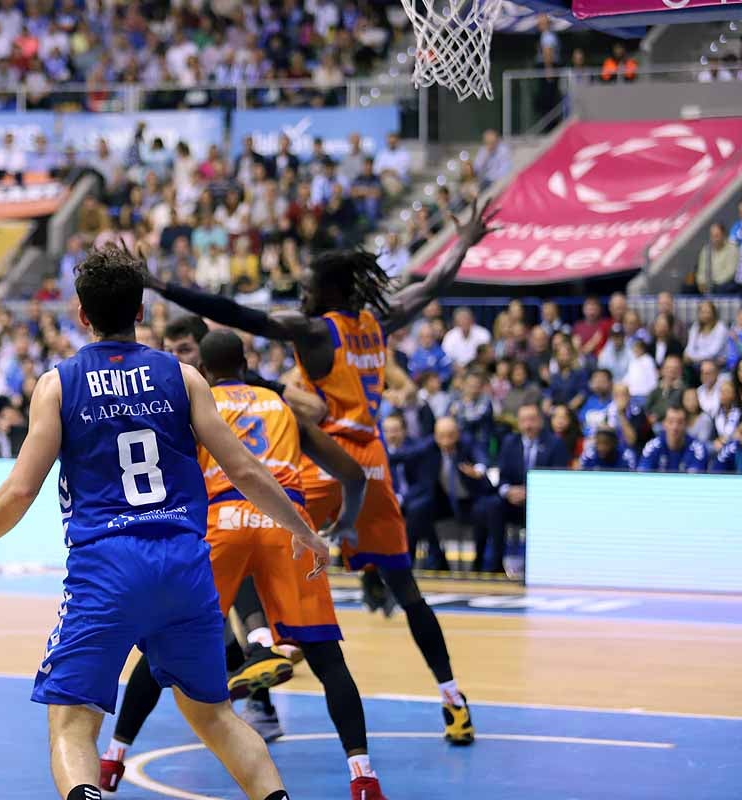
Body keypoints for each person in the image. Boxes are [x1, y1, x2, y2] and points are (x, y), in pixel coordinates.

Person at [0, 249, 325, 800]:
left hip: (107, 569)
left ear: (82, 316)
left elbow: (21, 489)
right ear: (141, 310)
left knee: (71, 722)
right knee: (216, 718)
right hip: (185, 569)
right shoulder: (183, 378)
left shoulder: (59, 384)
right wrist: (303, 529)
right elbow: (244, 470)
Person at [140, 196, 499, 743]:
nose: (302, 293)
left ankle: (262, 647)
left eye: (309, 286)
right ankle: (453, 699)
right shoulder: (378, 322)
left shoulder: (314, 330)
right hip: (373, 464)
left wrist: (162, 286)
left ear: (330, 292)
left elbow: (239, 315)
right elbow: (430, 288)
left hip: (324, 460)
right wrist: (464, 245)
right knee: (412, 594)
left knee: (248, 524)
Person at [100, 329, 387, 799]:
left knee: (161, 647)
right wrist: (344, 527)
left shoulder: (200, 401)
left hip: (223, 518)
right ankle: (363, 777)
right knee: (328, 659)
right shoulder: (284, 407)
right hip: (286, 521)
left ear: (209, 371)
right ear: (247, 362)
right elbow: (353, 475)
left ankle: (112, 759)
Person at [386, 416, 492, 571]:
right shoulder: (429, 446)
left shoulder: (467, 442)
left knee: (489, 508)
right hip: (441, 501)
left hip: (468, 499)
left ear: (458, 434)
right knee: (418, 509)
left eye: (451, 435)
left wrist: (479, 469)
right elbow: (403, 455)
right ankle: (411, 563)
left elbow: (481, 457)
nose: (447, 440)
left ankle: (483, 564)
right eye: (442, 436)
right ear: (436, 436)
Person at [474, 403, 568, 572]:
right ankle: (495, 565)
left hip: (542, 503)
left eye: (532, 420)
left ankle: (540, 566)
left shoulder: (555, 444)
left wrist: (530, 492)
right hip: (514, 502)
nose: (528, 425)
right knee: (492, 505)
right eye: (524, 420)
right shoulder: (510, 442)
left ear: (540, 421)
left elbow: (558, 480)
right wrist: (508, 491)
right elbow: (502, 477)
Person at [637, 405, 708, 472]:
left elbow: (695, 480)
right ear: (664, 424)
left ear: (686, 424)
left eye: (680, 422)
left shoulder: (697, 449)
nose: (675, 427)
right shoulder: (653, 447)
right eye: (670, 422)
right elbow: (642, 474)